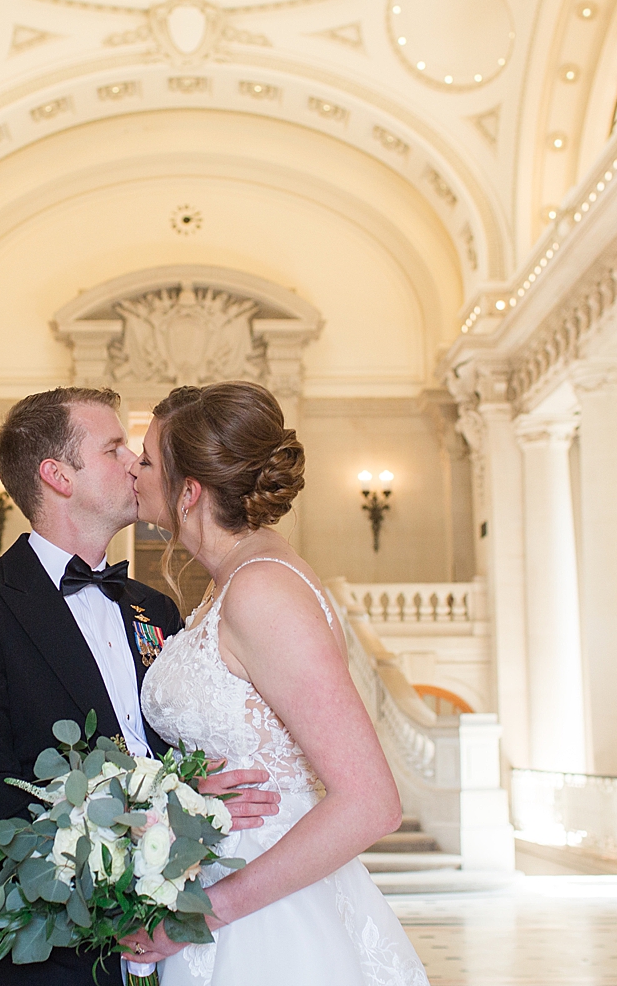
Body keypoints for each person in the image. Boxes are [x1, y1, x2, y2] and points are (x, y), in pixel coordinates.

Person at [0, 386, 282, 986]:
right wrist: (140, 825)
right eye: (115, 448)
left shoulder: (157, 609)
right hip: (36, 949)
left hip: (165, 941)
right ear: (57, 474)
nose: (137, 465)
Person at [122, 381, 429, 985]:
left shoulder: (263, 590)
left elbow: (371, 802)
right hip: (219, 877)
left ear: (189, 491)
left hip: (264, 915)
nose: (134, 470)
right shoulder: (231, 579)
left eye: (148, 459)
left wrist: (202, 915)